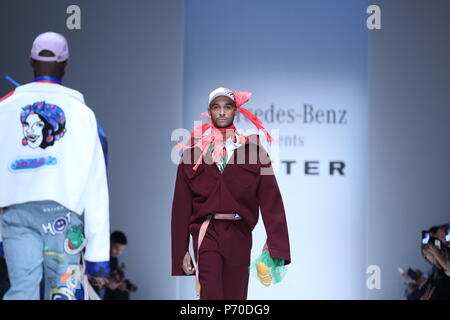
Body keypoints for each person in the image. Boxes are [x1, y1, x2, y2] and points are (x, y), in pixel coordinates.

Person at [0, 32, 110, 300]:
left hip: (16, 217)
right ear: (65, 64)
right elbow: (96, 185)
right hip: (63, 218)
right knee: (63, 292)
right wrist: (98, 255)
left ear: (31, 62)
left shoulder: (5, 108)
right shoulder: (83, 115)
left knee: (22, 291)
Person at [171, 87, 291, 300]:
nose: (222, 112)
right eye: (216, 107)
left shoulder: (253, 151)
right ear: (209, 112)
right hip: (205, 232)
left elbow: (271, 199)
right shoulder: (192, 153)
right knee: (211, 294)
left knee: (236, 296)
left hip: (239, 233)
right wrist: (180, 250)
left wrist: (276, 243)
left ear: (236, 111)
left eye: (227, 107)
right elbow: (181, 206)